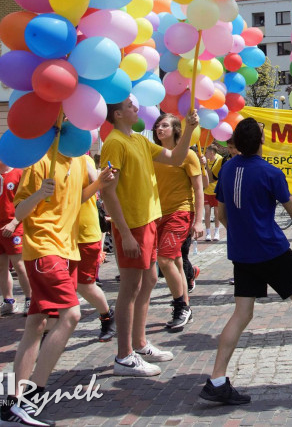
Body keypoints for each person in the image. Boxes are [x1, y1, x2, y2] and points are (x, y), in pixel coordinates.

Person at [201, 118, 292, 405]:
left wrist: (242, 235)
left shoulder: (227, 169)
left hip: (242, 253)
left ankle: (217, 378)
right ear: (261, 143)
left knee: (242, 313)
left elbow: (221, 216)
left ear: (237, 144)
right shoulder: (270, 172)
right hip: (272, 250)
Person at [0, 149, 114, 426]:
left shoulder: (77, 159)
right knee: (71, 315)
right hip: (43, 249)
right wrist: (39, 193)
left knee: (36, 325)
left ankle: (12, 405)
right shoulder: (39, 161)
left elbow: (77, 199)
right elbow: (20, 211)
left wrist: (101, 183)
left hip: (67, 251)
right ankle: (33, 396)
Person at [99, 97, 199, 377]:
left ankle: (140, 343)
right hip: (133, 225)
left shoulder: (139, 141)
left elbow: (176, 158)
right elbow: (108, 191)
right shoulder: (115, 142)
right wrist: (126, 233)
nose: (136, 108)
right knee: (130, 288)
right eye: (130, 106)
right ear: (118, 114)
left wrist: (189, 129)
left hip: (150, 220)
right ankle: (124, 356)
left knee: (150, 279)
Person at [152, 114, 204, 332]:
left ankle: (180, 306)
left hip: (181, 212)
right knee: (176, 262)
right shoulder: (153, 154)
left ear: (175, 129)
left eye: (164, 125)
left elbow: (198, 188)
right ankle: (186, 307)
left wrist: (199, 220)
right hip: (157, 214)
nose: (159, 129)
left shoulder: (188, 155)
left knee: (164, 260)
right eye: (157, 126)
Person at [0, 141, 33, 317]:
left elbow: (26, 202)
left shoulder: (18, 173)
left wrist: (14, 222)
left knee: (19, 265)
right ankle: (8, 301)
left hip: (14, 226)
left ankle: (29, 299)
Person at [74, 156, 116, 342]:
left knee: (84, 285)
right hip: (59, 235)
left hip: (84, 231)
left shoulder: (82, 159)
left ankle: (107, 315)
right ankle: (49, 331)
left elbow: (96, 182)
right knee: (59, 285)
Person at [202, 144, 227, 242]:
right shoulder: (205, 161)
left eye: (206, 152)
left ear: (212, 152)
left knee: (217, 213)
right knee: (207, 212)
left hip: (216, 191)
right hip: (207, 190)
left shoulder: (220, 159)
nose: (205, 154)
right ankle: (208, 233)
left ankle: (216, 232)